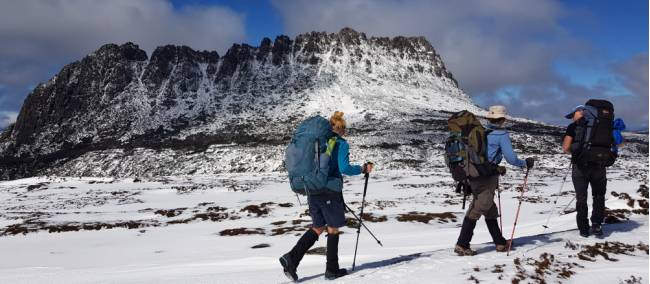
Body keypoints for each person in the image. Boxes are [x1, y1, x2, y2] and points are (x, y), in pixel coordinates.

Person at [280, 111, 374, 281]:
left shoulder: (319, 142)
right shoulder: (340, 144)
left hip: (312, 188)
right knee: (333, 228)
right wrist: (361, 169)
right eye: (344, 128)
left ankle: (291, 259)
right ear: (341, 128)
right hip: (329, 189)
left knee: (318, 227)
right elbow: (344, 168)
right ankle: (332, 269)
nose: (345, 131)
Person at [455, 105, 535, 256]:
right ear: (503, 119)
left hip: (472, 173)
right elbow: (511, 159)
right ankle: (462, 244)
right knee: (477, 209)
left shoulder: (480, 131)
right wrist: (525, 163)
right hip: (487, 176)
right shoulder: (501, 135)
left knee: (490, 209)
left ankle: (500, 242)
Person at [562, 105, 622, 237]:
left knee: (581, 197)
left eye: (572, 115)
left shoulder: (574, 126)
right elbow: (618, 143)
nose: (572, 118)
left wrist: (577, 151)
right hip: (600, 165)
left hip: (580, 166)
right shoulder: (604, 126)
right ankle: (597, 225)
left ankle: (583, 229)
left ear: (580, 113)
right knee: (599, 196)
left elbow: (565, 147)